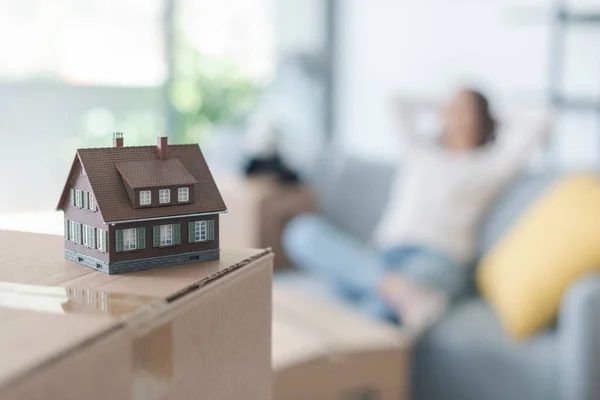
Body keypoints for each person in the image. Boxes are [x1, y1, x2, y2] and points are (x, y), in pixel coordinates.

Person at [284, 88, 549, 332]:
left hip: (438, 259)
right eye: (451, 107)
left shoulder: (490, 165)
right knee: (302, 232)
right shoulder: (420, 151)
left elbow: (540, 122)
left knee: (378, 311)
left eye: (465, 110)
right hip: (383, 255)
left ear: (482, 120)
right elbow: (398, 102)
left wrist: (495, 117)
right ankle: (397, 291)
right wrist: (446, 106)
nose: (454, 114)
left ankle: (380, 299)